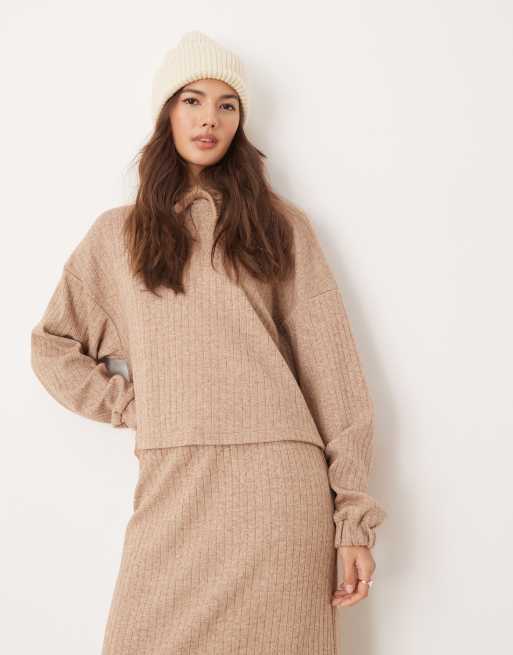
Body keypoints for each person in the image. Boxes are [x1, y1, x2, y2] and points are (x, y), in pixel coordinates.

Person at [30, 30, 387, 655]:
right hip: (177, 477)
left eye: (227, 105)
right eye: (192, 100)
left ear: (240, 122)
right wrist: (133, 405)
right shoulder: (118, 236)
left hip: (279, 482)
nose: (209, 119)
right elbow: (52, 344)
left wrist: (352, 520)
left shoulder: (280, 226)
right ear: (166, 113)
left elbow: (333, 374)